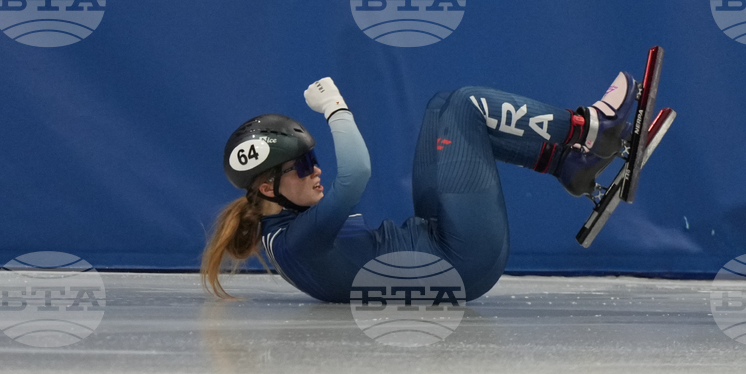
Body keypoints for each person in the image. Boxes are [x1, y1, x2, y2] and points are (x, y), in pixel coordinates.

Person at [201, 75, 637, 302]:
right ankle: (590, 128)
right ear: (267, 187)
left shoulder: (283, 231)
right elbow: (356, 173)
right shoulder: (299, 239)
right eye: (302, 165)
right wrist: (335, 108)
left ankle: (569, 165)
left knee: (442, 106)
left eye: (313, 159)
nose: (316, 170)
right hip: (464, 258)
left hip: (440, 246)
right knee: (465, 105)